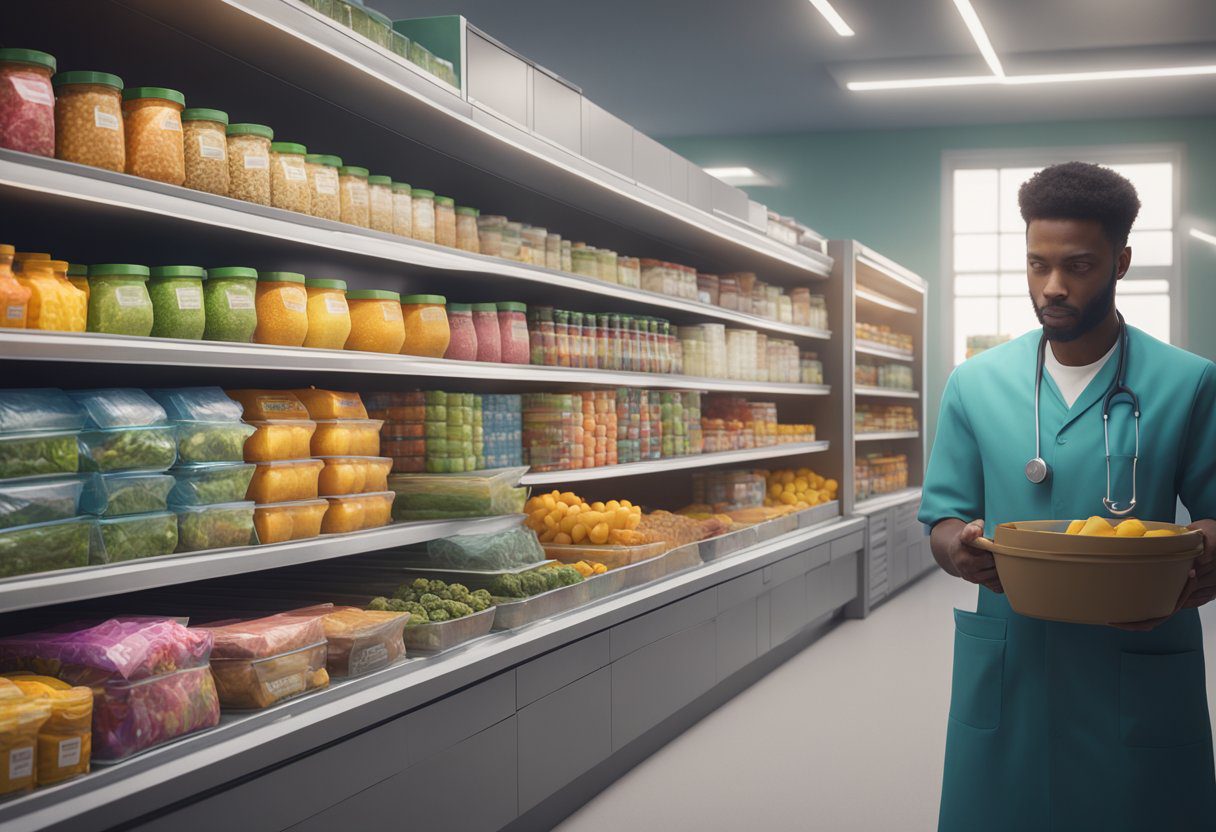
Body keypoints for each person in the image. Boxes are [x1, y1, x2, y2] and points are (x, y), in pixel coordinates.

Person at [919, 161, 1216, 832]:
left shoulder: (1188, 383)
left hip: (1134, 658)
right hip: (1015, 656)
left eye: (1078, 265)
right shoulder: (975, 384)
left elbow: (1214, 517)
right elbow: (942, 516)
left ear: (1123, 260)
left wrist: (1197, 564)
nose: (1052, 287)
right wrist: (959, 551)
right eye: (1036, 264)